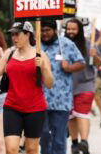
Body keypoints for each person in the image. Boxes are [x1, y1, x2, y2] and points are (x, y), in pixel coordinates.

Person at [0, 21, 53, 154]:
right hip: (12, 107)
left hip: (35, 108)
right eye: (12, 35)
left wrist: (43, 68)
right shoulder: (9, 53)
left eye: (17, 34)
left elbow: (49, 84)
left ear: (27, 35)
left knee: (32, 149)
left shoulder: (40, 55)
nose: (14, 38)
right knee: (11, 149)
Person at [39, 20, 85, 154]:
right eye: (42, 31)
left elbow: (81, 63)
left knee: (59, 138)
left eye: (47, 30)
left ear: (55, 30)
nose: (44, 34)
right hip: (40, 100)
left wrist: (69, 67)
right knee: (44, 136)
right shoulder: (36, 46)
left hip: (61, 100)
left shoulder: (66, 44)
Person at [65, 18, 98, 154]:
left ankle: (84, 142)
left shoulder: (90, 44)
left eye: (74, 29)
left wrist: (95, 56)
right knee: (72, 116)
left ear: (80, 30)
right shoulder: (62, 45)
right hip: (67, 87)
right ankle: (74, 143)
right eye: (69, 29)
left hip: (85, 85)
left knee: (82, 114)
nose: (71, 31)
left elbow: (98, 63)